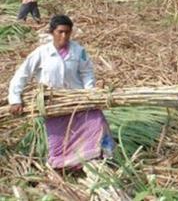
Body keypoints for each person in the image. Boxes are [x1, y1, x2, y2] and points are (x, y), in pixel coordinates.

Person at [8, 15, 115, 169]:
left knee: (95, 122)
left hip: (78, 100)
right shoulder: (42, 52)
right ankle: (64, 164)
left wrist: (89, 92)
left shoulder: (79, 51)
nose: (64, 36)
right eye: (60, 32)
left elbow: (86, 72)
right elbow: (22, 74)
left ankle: (95, 158)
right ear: (52, 32)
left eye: (67, 32)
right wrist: (15, 99)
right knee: (59, 141)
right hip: (53, 103)